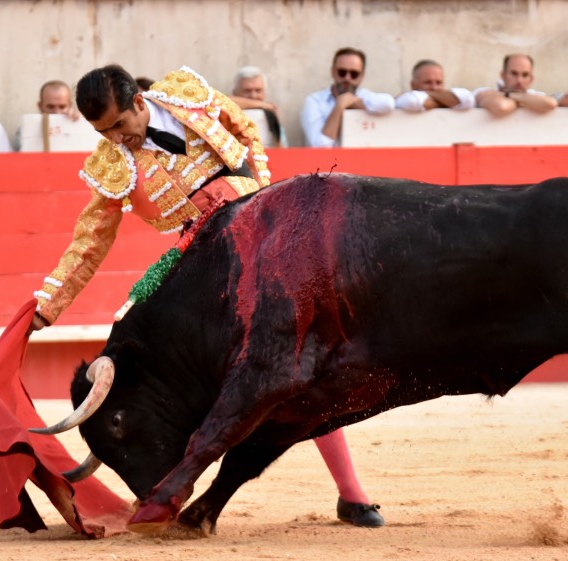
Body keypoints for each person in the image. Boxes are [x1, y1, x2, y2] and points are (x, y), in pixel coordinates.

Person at [29, 64, 384, 527]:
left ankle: (350, 492)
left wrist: (256, 197)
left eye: (120, 125)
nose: (117, 139)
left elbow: (246, 131)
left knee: (301, 358)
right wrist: (48, 304)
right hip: (200, 263)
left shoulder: (186, 94)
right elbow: (90, 240)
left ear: (139, 101)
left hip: (266, 245)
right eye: (104, 132)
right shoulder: (111, 163)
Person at [300, 47, 394, 147]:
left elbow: (388, 103)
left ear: (362, 76)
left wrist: (353, 102)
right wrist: (340, 106)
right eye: (342, 72)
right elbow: (320, 147)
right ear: (332, 72)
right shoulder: (315, 101)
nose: (347, 78)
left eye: (354, 74)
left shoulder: (365, 96)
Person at [473, 53, 557, 117]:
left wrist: (507, 95)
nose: (519, 80)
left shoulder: (535, 95)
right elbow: (502, 106)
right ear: (503, 75)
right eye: (514, 73)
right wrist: (526, 101)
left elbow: (551, 103)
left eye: (525, 75)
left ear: (531, 79)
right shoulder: (485, 92)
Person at [230, 65, 286, 147]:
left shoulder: (270, 113)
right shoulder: (227, 111)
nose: (254, 95)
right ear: (235, 93)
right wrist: (264, 105)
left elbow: (282, 147)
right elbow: (221, 100)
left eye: (258, 90)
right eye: (247, 91)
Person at [395, 59, 475, 112]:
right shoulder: (403, 100)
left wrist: (428, 94)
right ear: (413, 85)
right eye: (428, 82)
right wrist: (445, 102)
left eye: (438, 83)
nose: (434, 87)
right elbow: (413, 102)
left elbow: (466, 99)